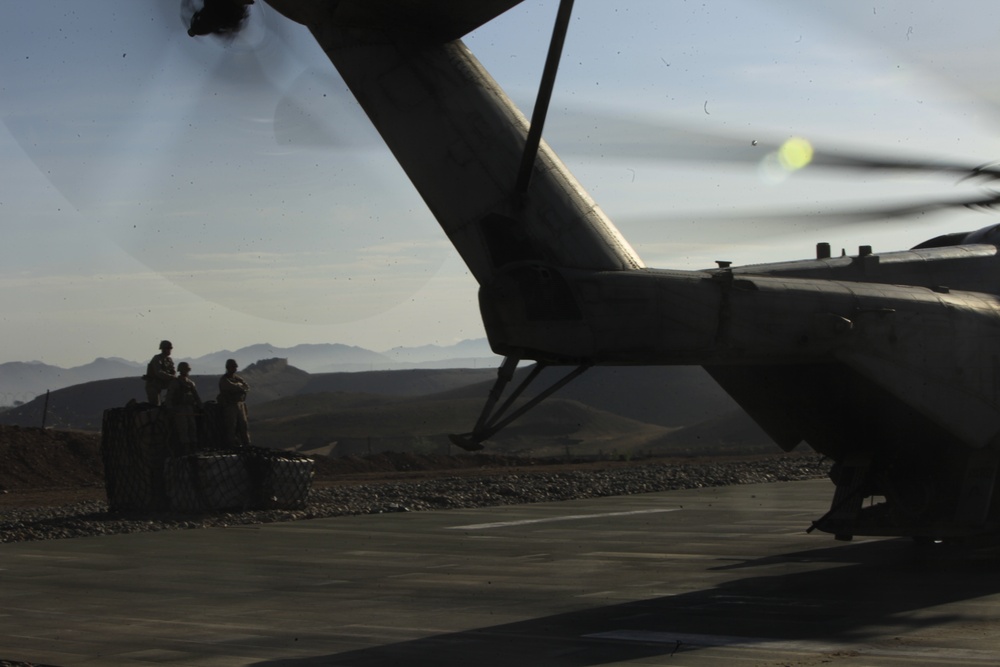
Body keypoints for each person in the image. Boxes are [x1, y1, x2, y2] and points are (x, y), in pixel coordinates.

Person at [166, 361, 202, 453]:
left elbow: (196, 396)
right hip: (179, 409)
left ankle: (193, 446)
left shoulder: (190, 383)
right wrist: (170, 408)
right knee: (183, 428)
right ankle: (186, 448)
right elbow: (169, 397)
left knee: (192, 427)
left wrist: (200, 406)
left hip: (189, 408)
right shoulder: (175, 383)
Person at [217, 358, 250, 447]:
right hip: (230, 405)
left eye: (235, 367)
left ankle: (246, 445)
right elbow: (233, 387)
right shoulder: (224, 379)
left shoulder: (236, 378)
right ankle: (231, 446)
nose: (235, 368)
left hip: (240, 404)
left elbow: (246, 387)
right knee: (231, 426)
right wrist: (239, 387)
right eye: (233, 367)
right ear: (228, 367)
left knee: (243, 425)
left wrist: (239, 387)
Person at [143, 340, 176, 406]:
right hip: (153, 384)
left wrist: (173, 377)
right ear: (163, 349)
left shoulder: (169, 360)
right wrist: (171, 377)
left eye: (170, 348)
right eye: (168, 348)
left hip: (162, 384)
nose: (169, 350)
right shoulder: (157, 359)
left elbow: (173, 372)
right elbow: (158, 372)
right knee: (155, 405)